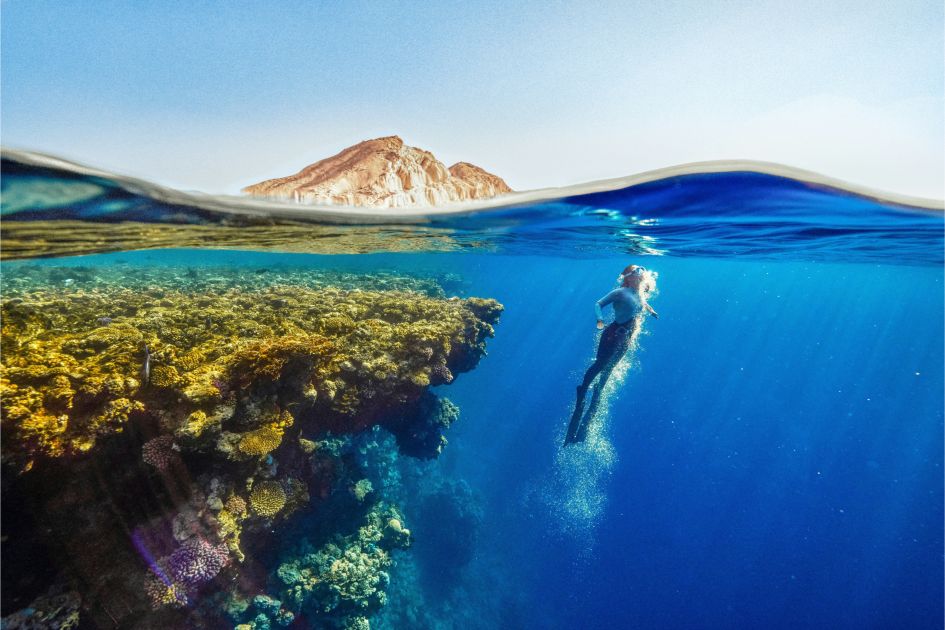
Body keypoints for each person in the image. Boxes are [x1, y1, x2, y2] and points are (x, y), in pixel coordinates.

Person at [564, 264, 658, 445]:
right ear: (628, 277)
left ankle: (597, 395)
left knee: (610, 369)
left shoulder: (640, 294)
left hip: (626, 337)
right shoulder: (620, 292)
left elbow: (642, 302)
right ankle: (583, 388)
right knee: (600, 364)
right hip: (613, 334)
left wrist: (651, 310)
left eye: (642, 271)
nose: (641, 273)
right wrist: (599, 319)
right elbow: (598, 303)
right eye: (637, 271)